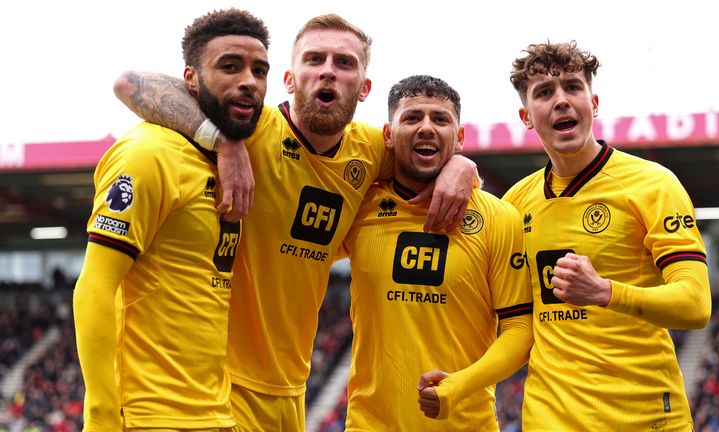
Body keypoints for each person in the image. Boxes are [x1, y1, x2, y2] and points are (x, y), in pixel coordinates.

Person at [112, 14, 478, 432]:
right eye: (314, 59)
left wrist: (462, 166)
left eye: (344, 63)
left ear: (363, 88)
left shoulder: (373, 150)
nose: (327, 70)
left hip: (292, 390)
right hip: (219, 386)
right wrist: (225, 141)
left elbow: (426, 152)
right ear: (289, 78)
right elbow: (128, 83)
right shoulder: (251, 129)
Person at [73, 9, 269, 430]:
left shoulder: (234, 156)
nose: (249, 81)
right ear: (190, 79)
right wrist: (103, 417)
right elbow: (94, 287)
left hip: (217, 416)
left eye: (259, 69)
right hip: (148, 416)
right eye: (229, 66)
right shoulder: (148, 154)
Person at [501, 40, 712, 431]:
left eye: (573, 87)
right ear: (526, 116)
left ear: (593, 103)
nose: (561, 100)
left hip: (645, 416)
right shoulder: (515, 203)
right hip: (549, 419)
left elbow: (696, 305)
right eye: (544, 92)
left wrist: (605, 292)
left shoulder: (654, 184)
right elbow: (512, 321)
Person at [340, 74, 533, 431]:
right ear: (388, 135)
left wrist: (460, 385)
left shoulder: (500, 217)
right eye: (412, 118)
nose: (427, 127)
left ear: (459, 138)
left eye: (440, 119)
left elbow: (520, 329)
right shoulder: (359, 205)